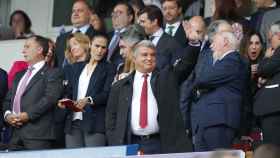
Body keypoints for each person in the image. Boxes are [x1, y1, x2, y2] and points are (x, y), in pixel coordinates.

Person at [106, 33, 201, 153]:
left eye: (152, 55)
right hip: (131, 144)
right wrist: (115, 142)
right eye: (144, 55)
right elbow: (111, 118)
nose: (149, 58)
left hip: (160, 143)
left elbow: (186, 65)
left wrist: (193, 44)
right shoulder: (120, 86)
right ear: (134, 58)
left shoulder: (166, 78)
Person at [3, 35, 63, 150]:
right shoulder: (19, 75)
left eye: (27, 46)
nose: (23, 50)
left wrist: (27, 115)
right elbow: (8, 99)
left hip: (38, 135)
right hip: (15, 134)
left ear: (40, 50)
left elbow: (50, 99)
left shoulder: (53, 73)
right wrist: (7, 115)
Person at [190, 31, 247, 151]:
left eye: (214, 42)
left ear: (225, 42)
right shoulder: (221, 62)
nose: (211, 46)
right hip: (206, 122)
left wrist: (198, 84)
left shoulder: (233, 59)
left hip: (219, 121)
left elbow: (203, 78)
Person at [58, 33, 115, 148]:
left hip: (94, 123)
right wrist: (64, 101)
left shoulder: (108, 68)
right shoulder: (77, 67)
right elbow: (69, 91)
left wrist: (88, 100)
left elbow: (107, 93)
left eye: (103, 47)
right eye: (97, 46)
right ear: (90, 45)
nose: (100, 50)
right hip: (73, 122)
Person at [254, 21, 280, 146]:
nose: (270, 44)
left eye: (270, 39)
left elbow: (262, 70)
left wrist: (266, 57)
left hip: (274, 109)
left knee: (272, 150)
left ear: (278, 35)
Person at [55, 0, 99, 67]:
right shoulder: (61, 38)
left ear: (90, 14)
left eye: (80, 11)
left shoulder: (97, 36)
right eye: (73, 11)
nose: (75, 14)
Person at [138, 5, 183, 70]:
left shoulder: (172, 43)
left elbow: (176, 70)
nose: (140, 25)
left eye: (143, 22)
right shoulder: (141, 40)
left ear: (154, 22)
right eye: (140, 22)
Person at [107, 2, 135, 66]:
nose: (114, 15)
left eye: (119, 13)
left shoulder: (135, 36)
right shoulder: (107, 36)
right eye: (113, 13)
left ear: (130, 17)